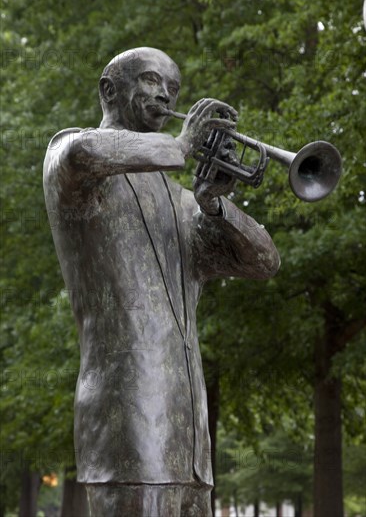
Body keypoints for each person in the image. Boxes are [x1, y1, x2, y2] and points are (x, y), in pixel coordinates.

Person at [43, 47, 280, 516]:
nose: (164, 96)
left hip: (190, 441)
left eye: (172, 89)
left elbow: (264, 261)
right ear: (109, 90)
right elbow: (89, 151)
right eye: (152, 81)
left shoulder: (182, 201)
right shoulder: (71, 153)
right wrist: (183, 143)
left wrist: (214, 204)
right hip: (126, 423)